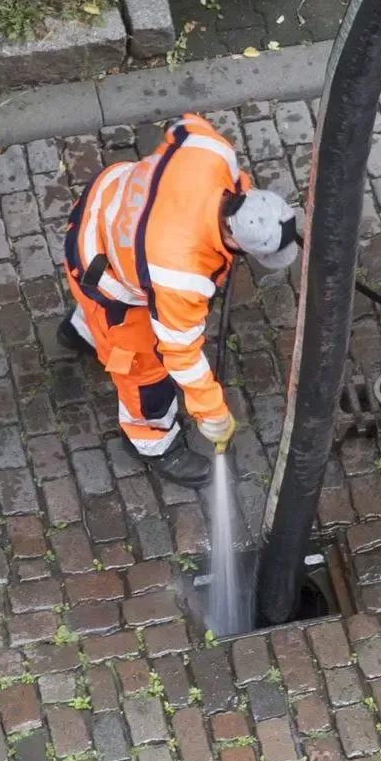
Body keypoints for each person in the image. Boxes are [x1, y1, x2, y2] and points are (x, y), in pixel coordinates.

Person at [58, 113, 297, 487]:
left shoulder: (213, 152)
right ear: (234, 240)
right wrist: (211, 411)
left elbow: (182, 124)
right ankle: (151, 442)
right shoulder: (179, 274)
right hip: (98, 268)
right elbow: (180, 351)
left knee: (110, 317)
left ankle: (83, 331)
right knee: (144, 371)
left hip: (108, 197)